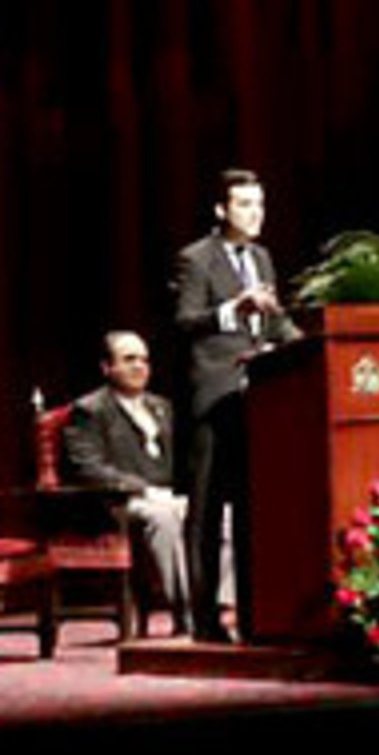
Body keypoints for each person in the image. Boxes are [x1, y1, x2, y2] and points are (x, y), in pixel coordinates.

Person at [172, 168, 300, 642]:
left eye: (260, 204)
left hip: (260, 399)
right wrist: (233, 310)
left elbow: (274, 322)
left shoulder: (262, 257)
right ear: (221, 210)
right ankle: (203, 620)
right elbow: (184, 322)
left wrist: (307, 344)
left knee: (252, 509)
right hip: (215, 397)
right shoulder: (196, 260)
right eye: (245, 204)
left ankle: (253, 613)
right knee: (207, 510)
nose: (255, 213)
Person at [63, 330, 193, 633]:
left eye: (144, 360)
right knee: (164, 516)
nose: (140, 367)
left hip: (167, 494)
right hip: (116, 503)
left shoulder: (162, 407)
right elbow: (88, 467)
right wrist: (144, 489)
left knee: (221, 515)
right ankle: (186, 609)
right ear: (107, 367)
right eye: (129, 359)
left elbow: (183, 461)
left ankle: (220, 604)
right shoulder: (90, 410)